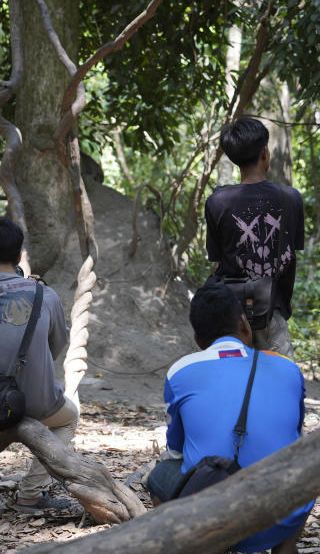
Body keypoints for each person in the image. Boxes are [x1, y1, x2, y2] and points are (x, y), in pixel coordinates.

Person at [145, 283, 313, 553]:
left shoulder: (181, 370)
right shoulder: (288, 368)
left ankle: (198, 545)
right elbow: (295, 436)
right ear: (244, 324)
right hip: (282, 514)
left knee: (160, 474)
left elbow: (175, 450)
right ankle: (285, 548)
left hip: (215, 515)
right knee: (301, 465)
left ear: (199, 340)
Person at [0, 217, 78, 514]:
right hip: (37, 404)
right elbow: (58, 345)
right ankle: (31, 495)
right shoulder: (46, 295)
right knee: (69, 417)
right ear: (19, 256)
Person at [204, 116, 304, 358]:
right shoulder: (291, 199)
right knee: (281, 382)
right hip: (273, 311)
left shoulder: (217, 202)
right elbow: (291, 255)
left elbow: (218, 260)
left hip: (230, 314)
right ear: (264, 153)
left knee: (233, 382)